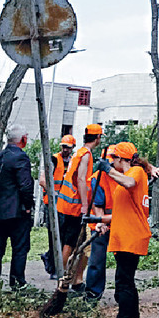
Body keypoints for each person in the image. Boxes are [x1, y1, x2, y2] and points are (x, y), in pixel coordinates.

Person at [94, 141, 151, 318]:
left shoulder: (135, 172)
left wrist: (107, 170)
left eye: (113, 159)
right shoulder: (130, 174)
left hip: (130, 238)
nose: (111, 163)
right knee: (126, 282)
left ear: (121, 158)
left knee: (123, 285)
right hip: (126, 237)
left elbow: (129, 182)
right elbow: (122, 213)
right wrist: (97, 221)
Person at [0, 124, 33, 289]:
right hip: (16, 211)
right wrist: (28, 205)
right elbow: (26, 185)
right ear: (23, 139)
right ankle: (17, 282)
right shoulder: (20, 157)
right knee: (20, 247)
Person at [58, 123, 103, 292]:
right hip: (75, 205)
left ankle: (71, 278)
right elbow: (82, 180)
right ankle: (64, 277)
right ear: (97, 137)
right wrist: (85, 204)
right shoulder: (86, 155)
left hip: (68, 203)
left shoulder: (79, 152)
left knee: (72, 242)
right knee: (71, 243)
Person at [84, 145, 118, 302]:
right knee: (96, 259)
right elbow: (98, 204)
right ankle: (93, 293)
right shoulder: (98, 178)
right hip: (101, 223)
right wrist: (101, 222)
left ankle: (123, 293)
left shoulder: (125, 174)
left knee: (123, 260)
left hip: (120, 224)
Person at [38, 134, 73, 277]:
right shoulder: (53, 159)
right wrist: (54, 194)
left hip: (66, 205)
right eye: (63, 147)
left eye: (68, 147)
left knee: (63, 236)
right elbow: (42, 180)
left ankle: (51, 259)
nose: (65, 150)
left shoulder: (72, 162)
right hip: (52, 204)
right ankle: (53, 267)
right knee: (54, 235)